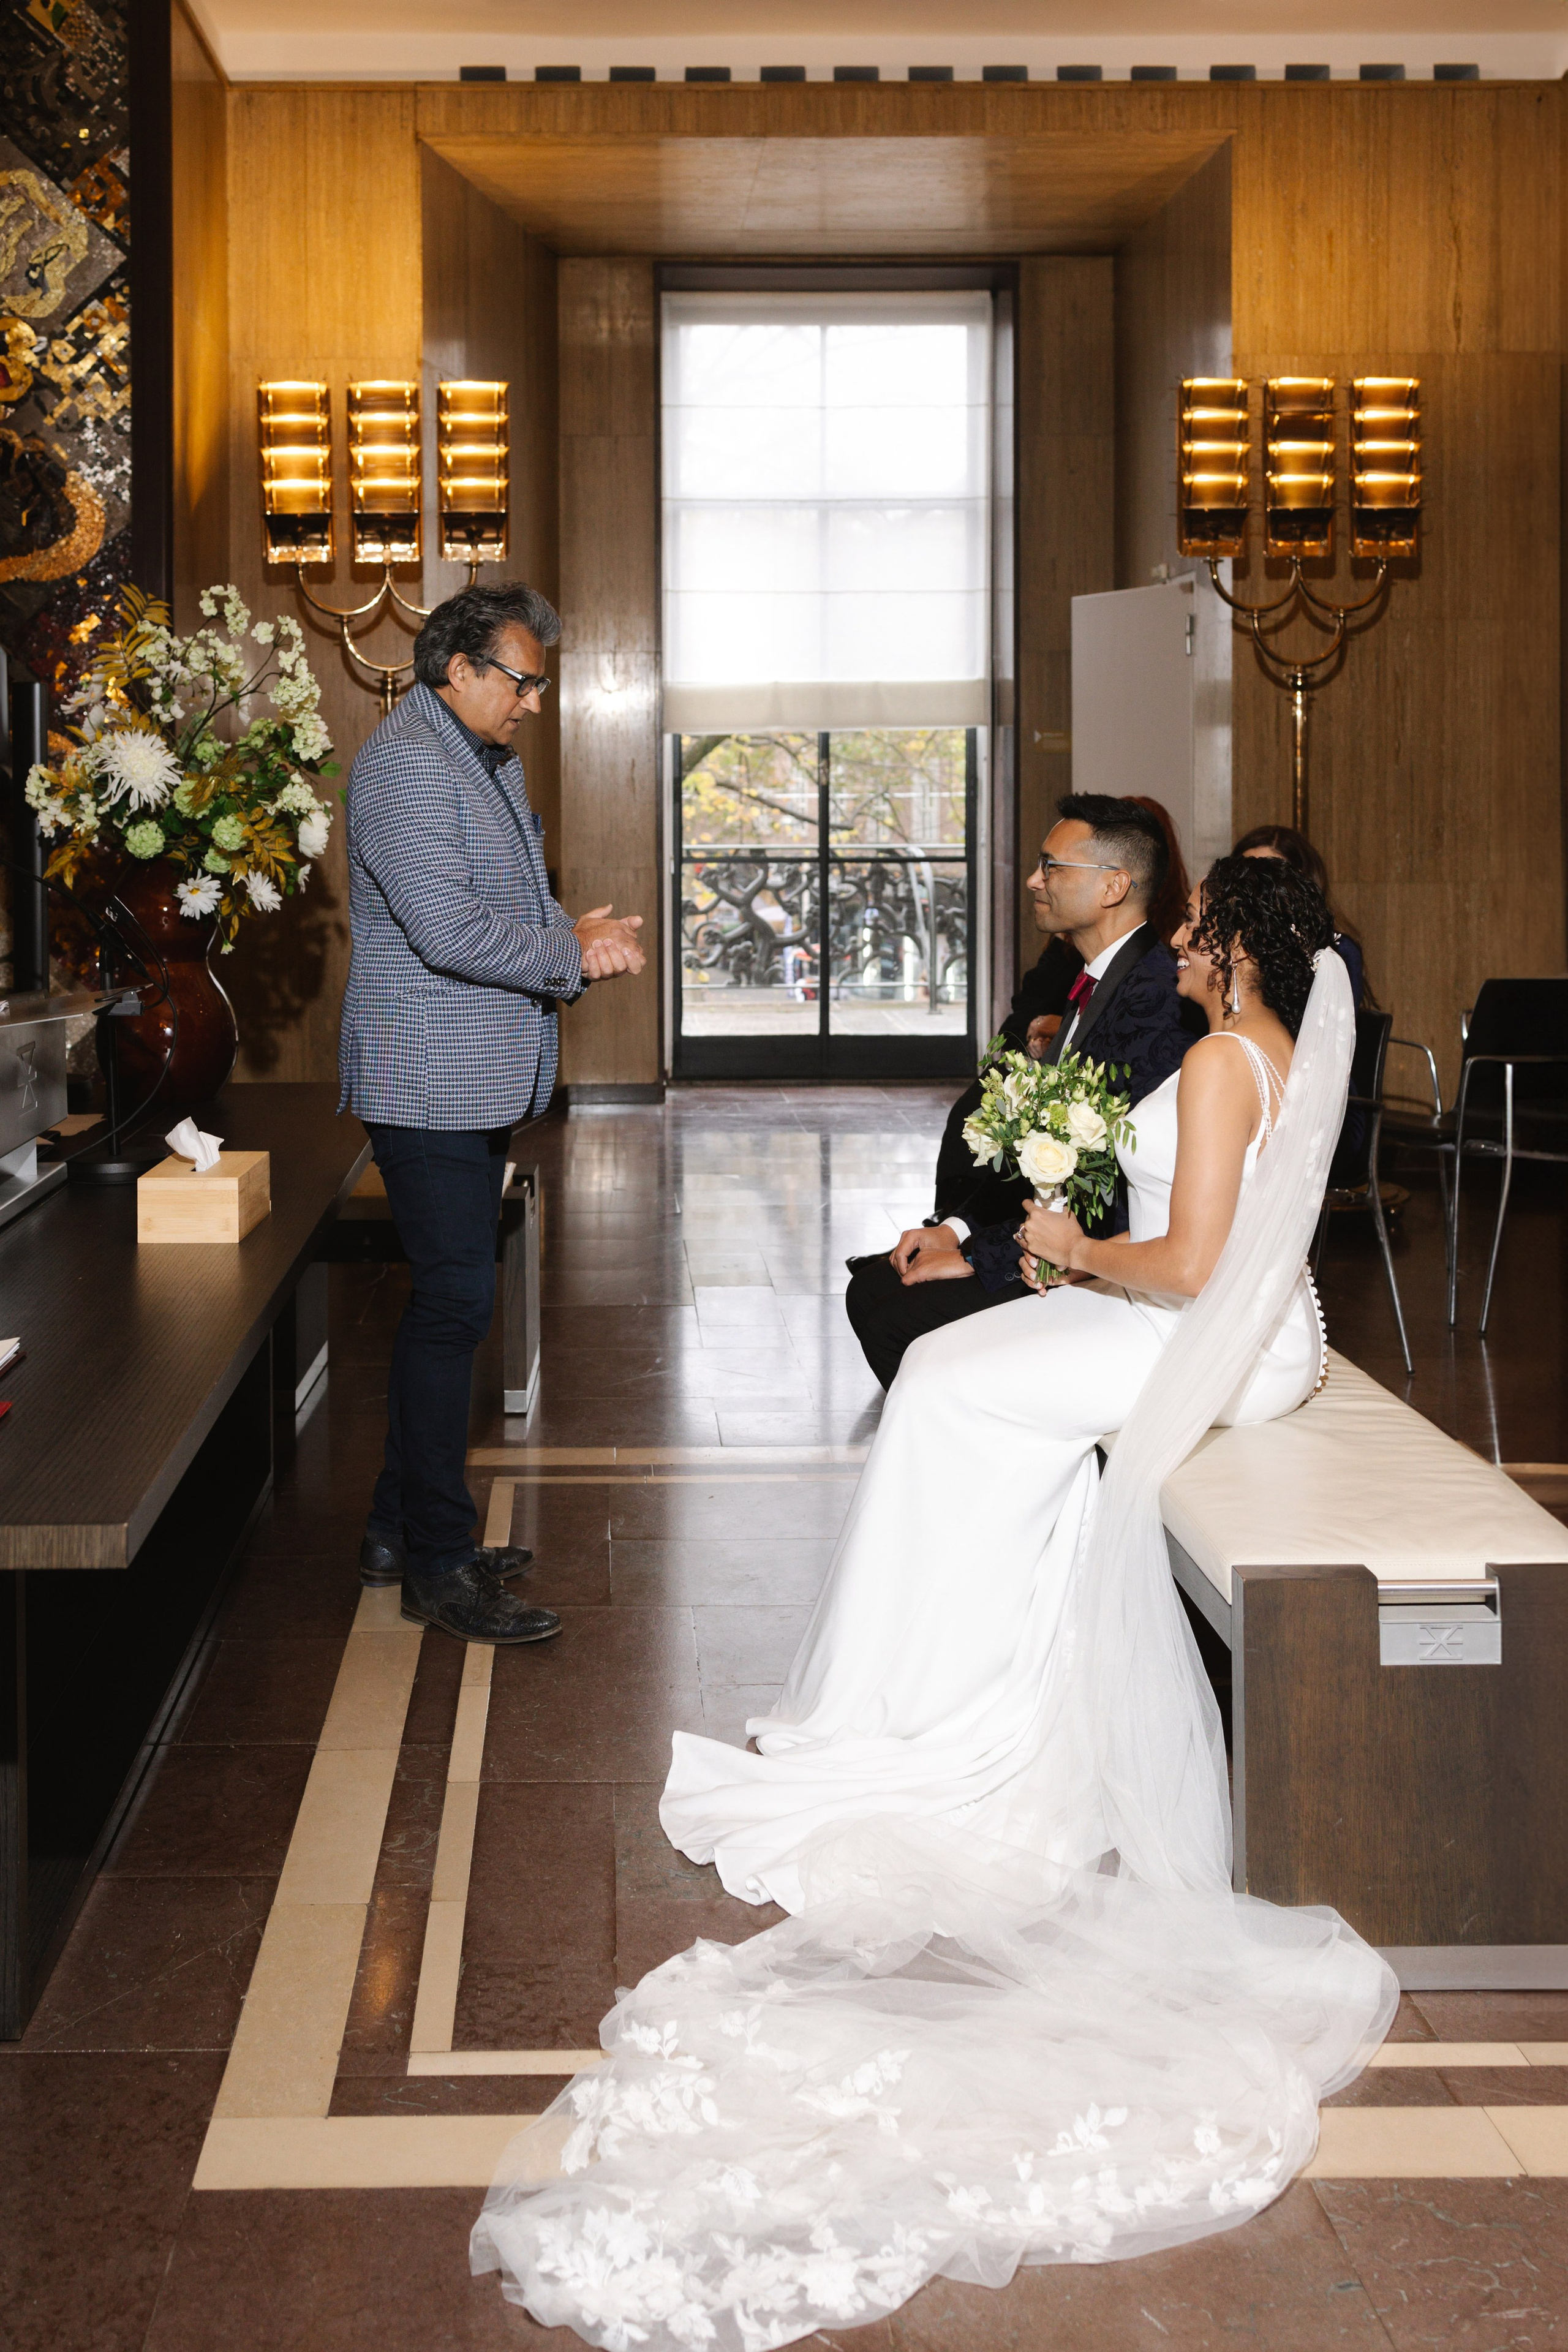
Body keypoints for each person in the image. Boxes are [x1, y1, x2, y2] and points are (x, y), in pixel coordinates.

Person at [473, 855, 1395, 2341]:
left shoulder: (1224, 1057)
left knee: (952, 1388)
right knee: (960, 1377)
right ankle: (950, 1669)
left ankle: (924, 1706)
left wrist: (1065, 1249)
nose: (1176, 933)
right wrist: (1068, 1257)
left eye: (1195, 918)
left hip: (1206, 1333)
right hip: (1230, 1328)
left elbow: (1197, 1258)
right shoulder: (1271, 1046)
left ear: (1226, 946)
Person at [340, 581, 646, 1646]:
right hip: (421, 1078)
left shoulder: (487, 759)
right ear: (456, 669)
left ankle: (394, 1531)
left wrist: (567, 923)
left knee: (452, 1304)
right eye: (521, 680)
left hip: (469, 1076)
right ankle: (436, 1561)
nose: (533, 703)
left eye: (540, 684)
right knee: (453, 1308)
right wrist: (573, 954)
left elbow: (502, 908)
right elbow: (449, 933)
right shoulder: (403, 767)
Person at [845, 794, 1201, 1389]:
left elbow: (1114, 1182)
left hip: (1103, 1261)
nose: (1035, 880)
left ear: (1113, 886)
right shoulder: (1095, 982)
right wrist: (953, 1230)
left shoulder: (1153, 996)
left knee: (897, 1317)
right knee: (875, 1287)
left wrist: (981, 1256)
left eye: (1052, 866)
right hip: (1055, 1233)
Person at [1234, 823, 1370, 1008]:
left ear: (1303, 884)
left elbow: (1336, 1030)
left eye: (1272, 877)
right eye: (1247, 876)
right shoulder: (1221, 941)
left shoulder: (1339, 951)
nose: (1258, 889)